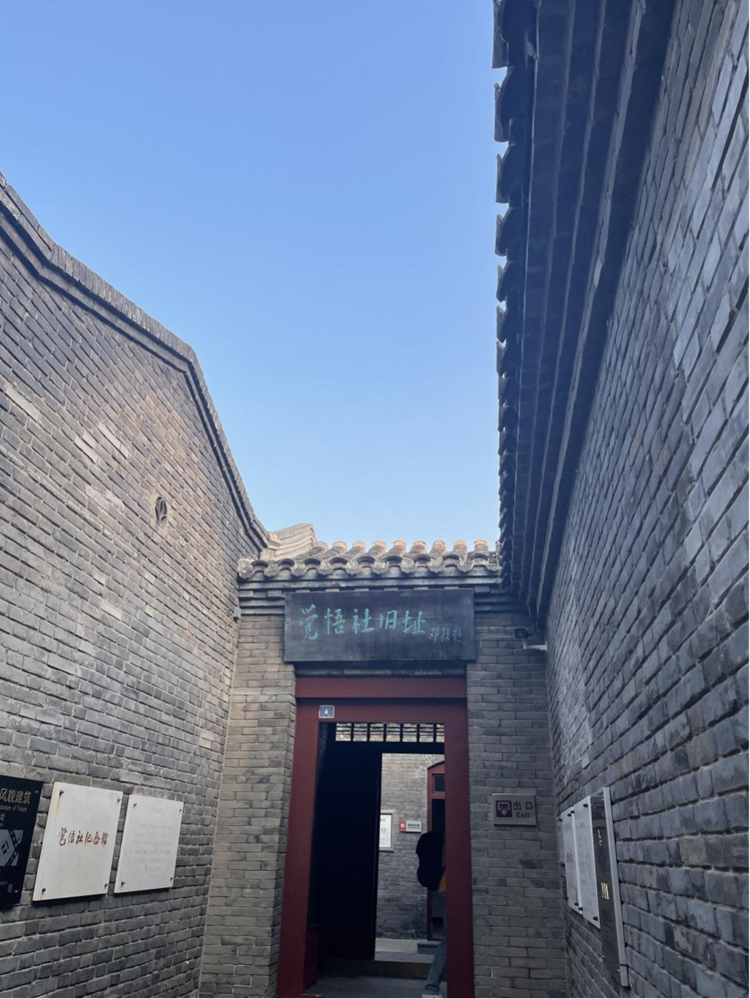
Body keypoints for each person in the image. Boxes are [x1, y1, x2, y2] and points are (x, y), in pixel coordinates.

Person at [417, 831, 446, 998]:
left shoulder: (435, 837)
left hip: (444, 887)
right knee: (450, 940)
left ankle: (432, 987)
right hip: (450, 885)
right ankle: (431, 988)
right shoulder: (447, 838)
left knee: (449, 939)